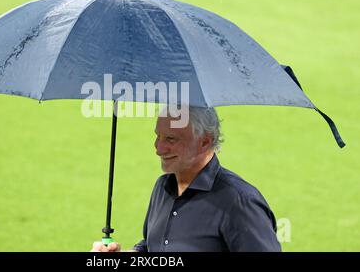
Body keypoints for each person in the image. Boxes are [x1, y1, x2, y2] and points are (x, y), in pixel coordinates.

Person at [91, 106, 281, 252]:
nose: (159, 148)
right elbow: (152, 246)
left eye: (171, 139)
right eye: (158, 136)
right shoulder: (163, 187)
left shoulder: (240, 202)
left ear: (204, 142)